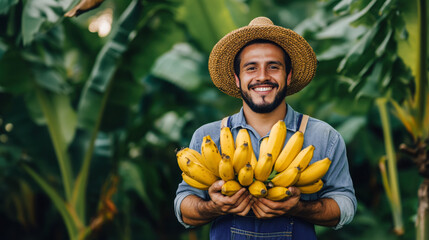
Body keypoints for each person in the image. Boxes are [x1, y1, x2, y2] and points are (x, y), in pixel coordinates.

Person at [174, 16, 356, 239]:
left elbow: (345, 206)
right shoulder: (208, 137)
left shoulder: (323, 137)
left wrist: (300, 208)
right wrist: (214, 206)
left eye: (273, 67)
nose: (262, 76)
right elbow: (184, 206)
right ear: (237, 79)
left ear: (288, 76)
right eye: (251, 68)